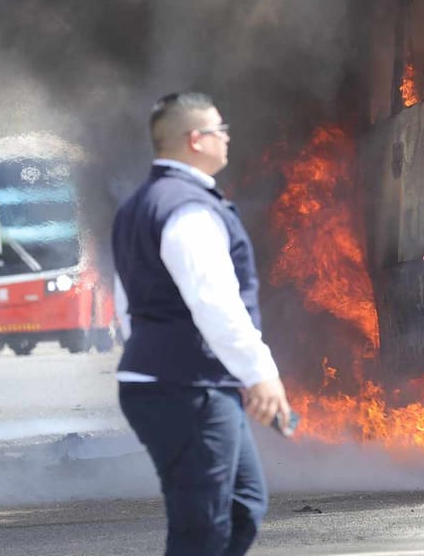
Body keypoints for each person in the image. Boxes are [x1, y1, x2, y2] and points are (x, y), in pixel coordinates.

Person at [113, 91, 291, 556]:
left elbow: (125, 300)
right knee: (203, 526)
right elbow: (215, 302)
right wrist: (258, 372)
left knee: (241, 505)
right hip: (185, 387)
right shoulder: (186, 209)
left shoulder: (142, 204)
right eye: (220, 129)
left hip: (174, 380)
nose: (227, 138)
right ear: (196, 140)